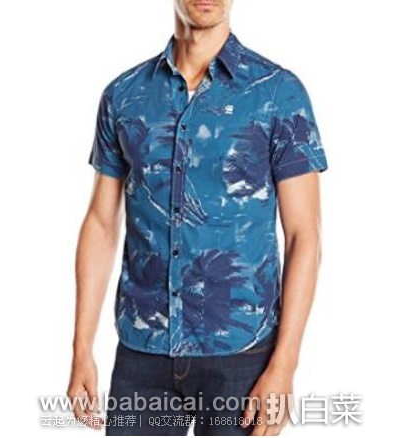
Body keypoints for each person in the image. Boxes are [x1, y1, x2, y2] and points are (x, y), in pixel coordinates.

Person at [67, 0, 329, 435]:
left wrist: (285, 364)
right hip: (142, 350)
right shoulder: (124, 96)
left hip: (243, 354)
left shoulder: (277, 93)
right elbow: (100, 223)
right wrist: (81, 350)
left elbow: (305, 235)